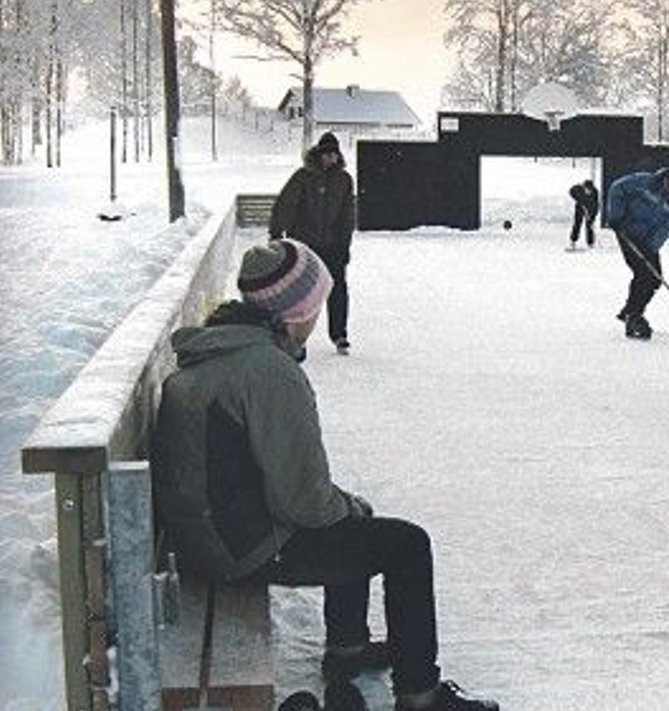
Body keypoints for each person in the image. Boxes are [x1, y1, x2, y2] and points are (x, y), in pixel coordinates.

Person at [151, 239, 499, 711]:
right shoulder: (268, 371)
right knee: (406, 545)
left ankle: (347, 650)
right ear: (296, 313)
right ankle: (420, 692)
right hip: (239, 549)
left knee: (353, 518)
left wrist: (346, 509)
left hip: (211, 537)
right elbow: (306, 504)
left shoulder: (226, 352)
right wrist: (347, 508)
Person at [270, 131, 356, 356]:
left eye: (334, 154)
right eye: (326, 154)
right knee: (301, 293)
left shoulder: (345, 180)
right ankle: (295, 337)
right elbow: (285, 204)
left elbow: (347, 216)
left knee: (337, 288)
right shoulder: (303, 176)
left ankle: (340, 334)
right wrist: (276, 234)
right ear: (319, 154)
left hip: (333, 245)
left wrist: (345, 246)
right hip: (305, 245)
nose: (331, 158)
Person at [605, 159, 669, 339]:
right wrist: (615, 216)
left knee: (655, 278)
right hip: (626, 231)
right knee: (644, 274)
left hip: (646, 241)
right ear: (668, 179)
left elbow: (665, 228)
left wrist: (651, 247)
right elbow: (617, 188)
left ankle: (631, 310)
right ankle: (634, 317)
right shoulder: (645, 183)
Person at [567, 179, 599, 249]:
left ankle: (590, 243)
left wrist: (593, 215)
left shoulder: (595, 192)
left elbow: (596, 204)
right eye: (587, 190)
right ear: (584, 188)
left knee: (589, 226)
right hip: (580, 208)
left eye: (590, 190)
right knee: (577, 224)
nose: (588, 191)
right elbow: (571, 191)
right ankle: (573, 240)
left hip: (590, 209)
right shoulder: (578, 189)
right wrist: (579, 199)